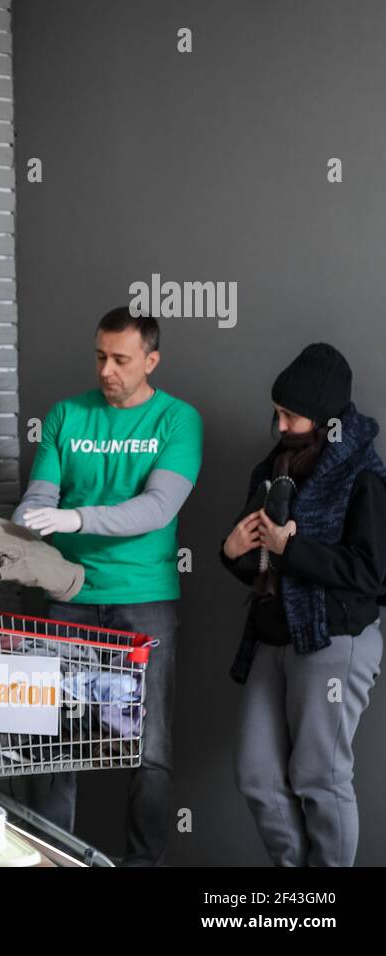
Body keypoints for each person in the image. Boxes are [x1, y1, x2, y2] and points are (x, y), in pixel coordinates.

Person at [11, 307, 203, 866]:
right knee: (52, 739)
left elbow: (158, 507)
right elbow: (41, 496)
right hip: (70, 595)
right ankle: (50, 859)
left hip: (144, 599)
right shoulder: (66, 416)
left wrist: (76, 520)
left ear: (151, 359)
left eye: (121, 359)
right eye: (100, 356)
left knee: (149, 746)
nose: (107, 370)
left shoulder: (177, 420)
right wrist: (32, 514)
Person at [221, 343, 385, 867]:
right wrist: (232, 554)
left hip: (335, 638)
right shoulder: (275, 468)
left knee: (320, 776)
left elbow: (370, 575)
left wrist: (293, 549)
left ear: (324, 416)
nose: (279, 424)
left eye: (290, 414)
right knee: (256, 774)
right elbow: (258, 561)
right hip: (274, 634)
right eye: (277, 412)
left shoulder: (363, 476)